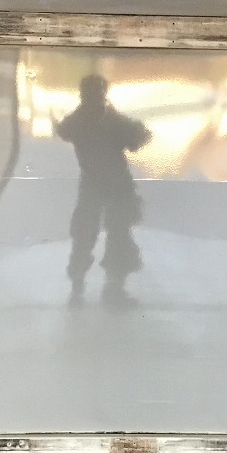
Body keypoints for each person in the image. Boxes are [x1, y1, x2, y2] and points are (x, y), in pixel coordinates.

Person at [56, 74, 151, 304]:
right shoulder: (110, 119)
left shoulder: (78, 120)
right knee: (117, 234)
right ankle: (112, 288)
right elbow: (138, 138)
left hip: (92, 184)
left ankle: (78, 286)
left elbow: (63, 131)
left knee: (86, 235)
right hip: (116, 185)